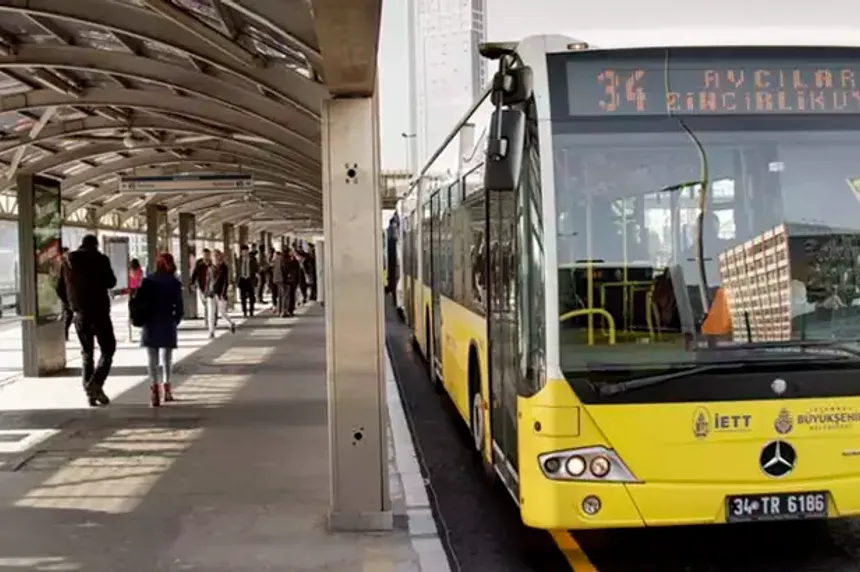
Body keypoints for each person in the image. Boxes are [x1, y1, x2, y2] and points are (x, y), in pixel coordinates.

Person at [57, 234, 117, 407]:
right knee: (108, 348)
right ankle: (95, 384)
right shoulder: (101, 259)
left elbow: (60, 287)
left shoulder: (68, 261)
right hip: (99, 312)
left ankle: (90, 394)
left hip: (80, 314)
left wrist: (71, 305)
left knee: (87, 353)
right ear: (96, 245)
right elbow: (111, 282)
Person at [137, 252, 183, 407]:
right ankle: (167, 388)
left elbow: (139, 302)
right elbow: (180, 308)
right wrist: (174, 321)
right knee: (167, 357)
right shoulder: (174, 282)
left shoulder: (147, 281)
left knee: (152, 358)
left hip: (150, 322)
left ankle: (154, 390)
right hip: (167, 320)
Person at [205, 249, 235, 338]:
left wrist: (223, 293)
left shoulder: (224, 267)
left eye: (217, 256)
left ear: (220, 257)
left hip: (220, 293)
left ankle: (231, 323)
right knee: (211, 313)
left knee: (222, 312)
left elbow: (225, 281)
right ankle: (211, 332)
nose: (215, 258)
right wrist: (206, 291)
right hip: (211, 293)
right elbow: (208, 280)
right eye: (214, 256)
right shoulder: (210, 267)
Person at [190, 249, 212, 328]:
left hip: (211, 287)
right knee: (205, 304)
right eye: (205, 255)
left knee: (209, 305)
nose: (206, 257)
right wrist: (192, 283)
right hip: (201, 287)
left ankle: (209, 320)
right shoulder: (199, 264)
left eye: (208, 255)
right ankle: (209, 320)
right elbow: (194, 274)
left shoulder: (212, 264)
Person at [236, 244, 258, 317]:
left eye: (246, 251)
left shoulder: (252, 259)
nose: (244, 253)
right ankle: (244, 311)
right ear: (241, 252)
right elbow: (237, 270)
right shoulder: (239, 260)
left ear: (248, 251)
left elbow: (256, 268)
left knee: (251, 296)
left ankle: (251, 310)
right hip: (242, 279)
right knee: (243, 297)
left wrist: (256, 275)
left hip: (250, 279)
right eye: (243, 251)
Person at [279, 248, 302, 317]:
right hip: (288, 281)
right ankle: (288, 310)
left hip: (288, 280)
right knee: (288, 296)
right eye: (290, 251)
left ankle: (287, 310)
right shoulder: (288, 261)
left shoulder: (284, 260)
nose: (292, 252)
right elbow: (290, 270)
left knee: (287, 296)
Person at [127, 258, 144, 342]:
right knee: (139, 308)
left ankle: (132, 318)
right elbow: (141, 280)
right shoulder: (140, 271)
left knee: (131, 307)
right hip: (138, 290)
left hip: (131, 290)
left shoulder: (130, 271)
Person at [59, 247, 73, 341]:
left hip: (68, 293)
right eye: (66, 253)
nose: (68, 255)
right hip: (65, 293)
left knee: (68, 314)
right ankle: (64, 333)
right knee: (68, 314)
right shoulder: (62, 265)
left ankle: (64, 334)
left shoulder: (66, 264)